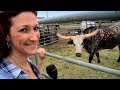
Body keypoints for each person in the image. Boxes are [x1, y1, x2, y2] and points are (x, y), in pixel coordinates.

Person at [0, 11, 46, 79]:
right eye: (24, 30)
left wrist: (40, 61)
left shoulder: (27, 61)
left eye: (36, 28)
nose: (35, 38)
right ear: (7, 36)